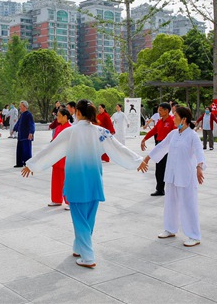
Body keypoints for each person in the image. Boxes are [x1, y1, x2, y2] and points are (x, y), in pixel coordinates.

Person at [21, 100, 143, 268]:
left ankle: (88, 257)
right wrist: (137, 161)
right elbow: (118, 148)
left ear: (77, 112)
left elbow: (51, 149)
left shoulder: (71, 132)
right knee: (88, 218)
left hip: (76, 181)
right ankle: (79, 247)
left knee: (80, 220)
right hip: (94, 180)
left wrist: (32, 164)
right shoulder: (100, 131)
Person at [138, 106, 205, 247]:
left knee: (188, 204)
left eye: (176, 116)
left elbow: (199, 152)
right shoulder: (173, 134)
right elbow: (161, 146)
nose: (173, 119)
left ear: (184, 119)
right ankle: (170, 229)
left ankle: (194, 235)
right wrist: (147, 158)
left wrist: (199, 167)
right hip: (172, 174)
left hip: (185, 175)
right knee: (170, 202)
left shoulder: (192, 135)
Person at [141, 102, 175, 196]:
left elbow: (176, 134)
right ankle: (160, 189)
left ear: (166, 111)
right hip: (159, 145)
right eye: (158, 110)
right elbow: (153, 131)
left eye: (160, 110)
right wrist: (144, 139)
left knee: (169, 168)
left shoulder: (172, 121)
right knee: (159, 169)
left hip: (169, 148)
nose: (158, 112)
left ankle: (173, 190)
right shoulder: (160, 121)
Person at [48, 108, 72, 208]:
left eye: (58, 115)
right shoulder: (58, 128)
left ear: (65, 117)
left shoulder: (70, 129)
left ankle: (70, 201)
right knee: (56, 179)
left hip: (66, 157)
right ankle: (56, 199)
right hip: (56, 157)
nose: (57, 117)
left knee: (67, 180)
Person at [13, 100, 35, 168]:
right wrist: (14, 129)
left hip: (26, 136)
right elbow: (18, 123)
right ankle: (19, 163)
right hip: (20, 136)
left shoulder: (29, 115)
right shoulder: (22, 115)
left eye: (20, 106)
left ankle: (27, 163)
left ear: (25, 107)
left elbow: (31, 124)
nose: (19, 107)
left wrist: (31, 132)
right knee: (19, 150)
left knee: (26, 150)